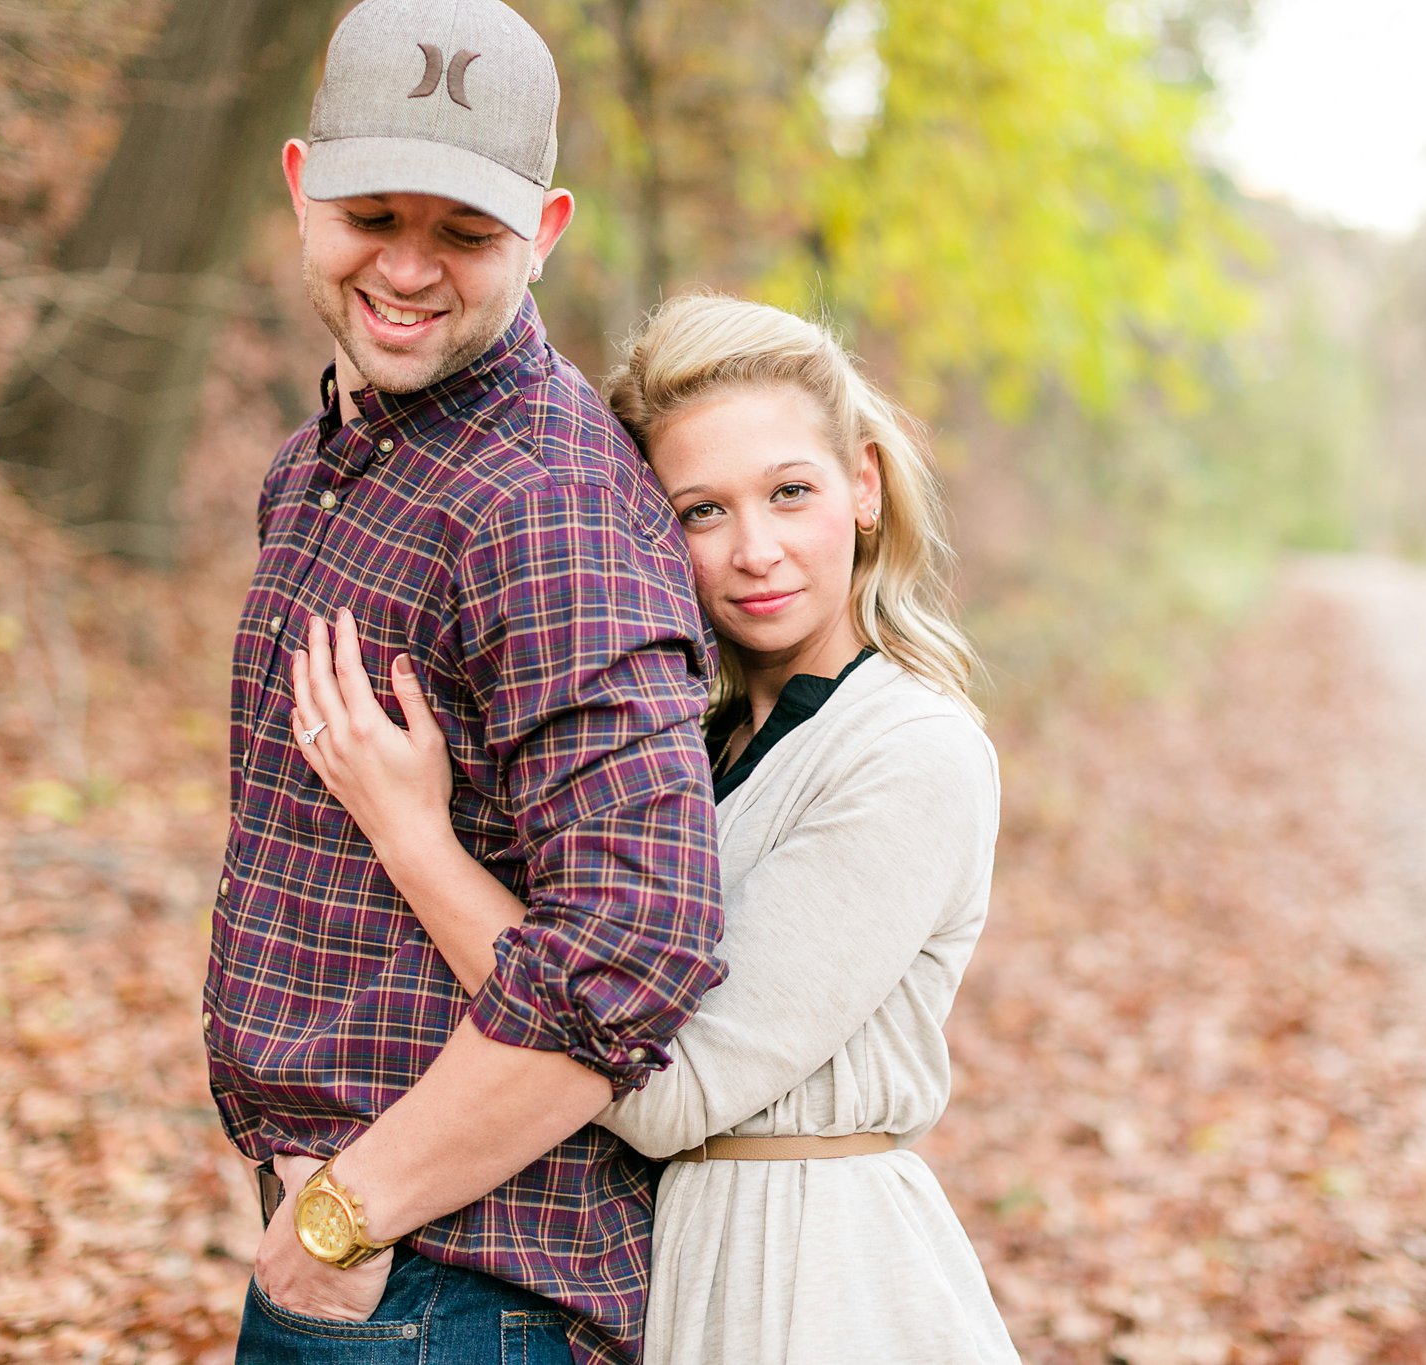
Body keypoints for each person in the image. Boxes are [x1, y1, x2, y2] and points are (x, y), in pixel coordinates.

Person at [293, 293, 1021, 1363]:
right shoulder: (699, 739)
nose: (755, 550)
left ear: (861, 487)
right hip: (689, 1253)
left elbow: (669, 1087)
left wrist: (414, 837)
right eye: (701, 511)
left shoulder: (910, 751)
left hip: (823, 1276)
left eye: (789, 492)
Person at [203, 2, 723, 1362]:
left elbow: (635, 946)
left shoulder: (546, 505)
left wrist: (340, 1220)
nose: (410, 269)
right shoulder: (323, 463)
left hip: (453, 1294)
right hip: (375, 1266)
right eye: (375, 214)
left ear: (544, 233)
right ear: (301, 183)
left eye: (466, 234)